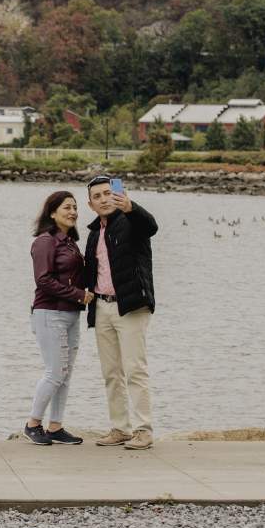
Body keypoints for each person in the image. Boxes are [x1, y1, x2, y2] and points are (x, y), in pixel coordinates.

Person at [84, 176, 158, 450]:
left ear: (118, 195)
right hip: (101, 308)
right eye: (97, 196)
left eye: (108, 193)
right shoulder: (94, 233)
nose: (104, 199)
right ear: (90, 204)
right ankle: (120, 428)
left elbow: (152, 226)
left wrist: (130, 206)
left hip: (130, 306)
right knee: (111, 372)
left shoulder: (132, 221)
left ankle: (143, 430)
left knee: (135, 370)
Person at [24, 190, 93, 446]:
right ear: (52, 213)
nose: (73, 212)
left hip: (71, 314)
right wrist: (79, 294)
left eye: (75, 207)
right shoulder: (45, 241)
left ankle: (55, 426)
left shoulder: (69, 242)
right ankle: (32, 424)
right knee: (55, 372)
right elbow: (43, 280)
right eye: (67, 207)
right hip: (48, 313)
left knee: (65, 373)